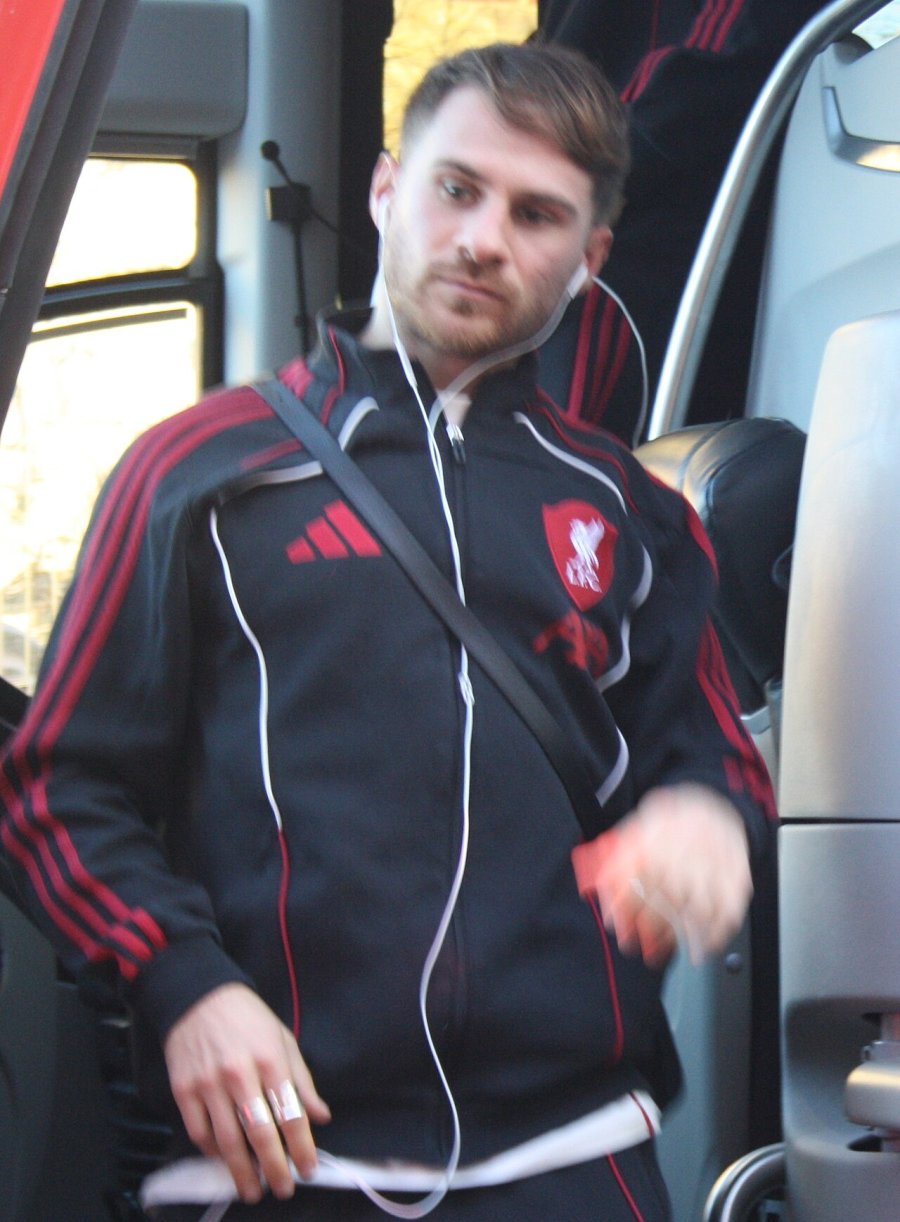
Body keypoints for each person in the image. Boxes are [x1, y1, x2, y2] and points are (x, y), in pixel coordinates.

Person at [0, 42, 775, 1221]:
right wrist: (182, 981)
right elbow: (58, 787)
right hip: (280, 1160)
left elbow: (714, 762)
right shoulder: (197, 473)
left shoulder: (633, 513)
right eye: (456, 189)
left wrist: (709, 821)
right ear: (383, 190)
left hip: (576, 1159)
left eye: (537, 215)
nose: (483, 239)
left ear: (589, 259)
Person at [535, 0, 831, 444]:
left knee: (565, 451)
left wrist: (579, 167)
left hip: (643, 209)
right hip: (585, 164)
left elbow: (729, 49)